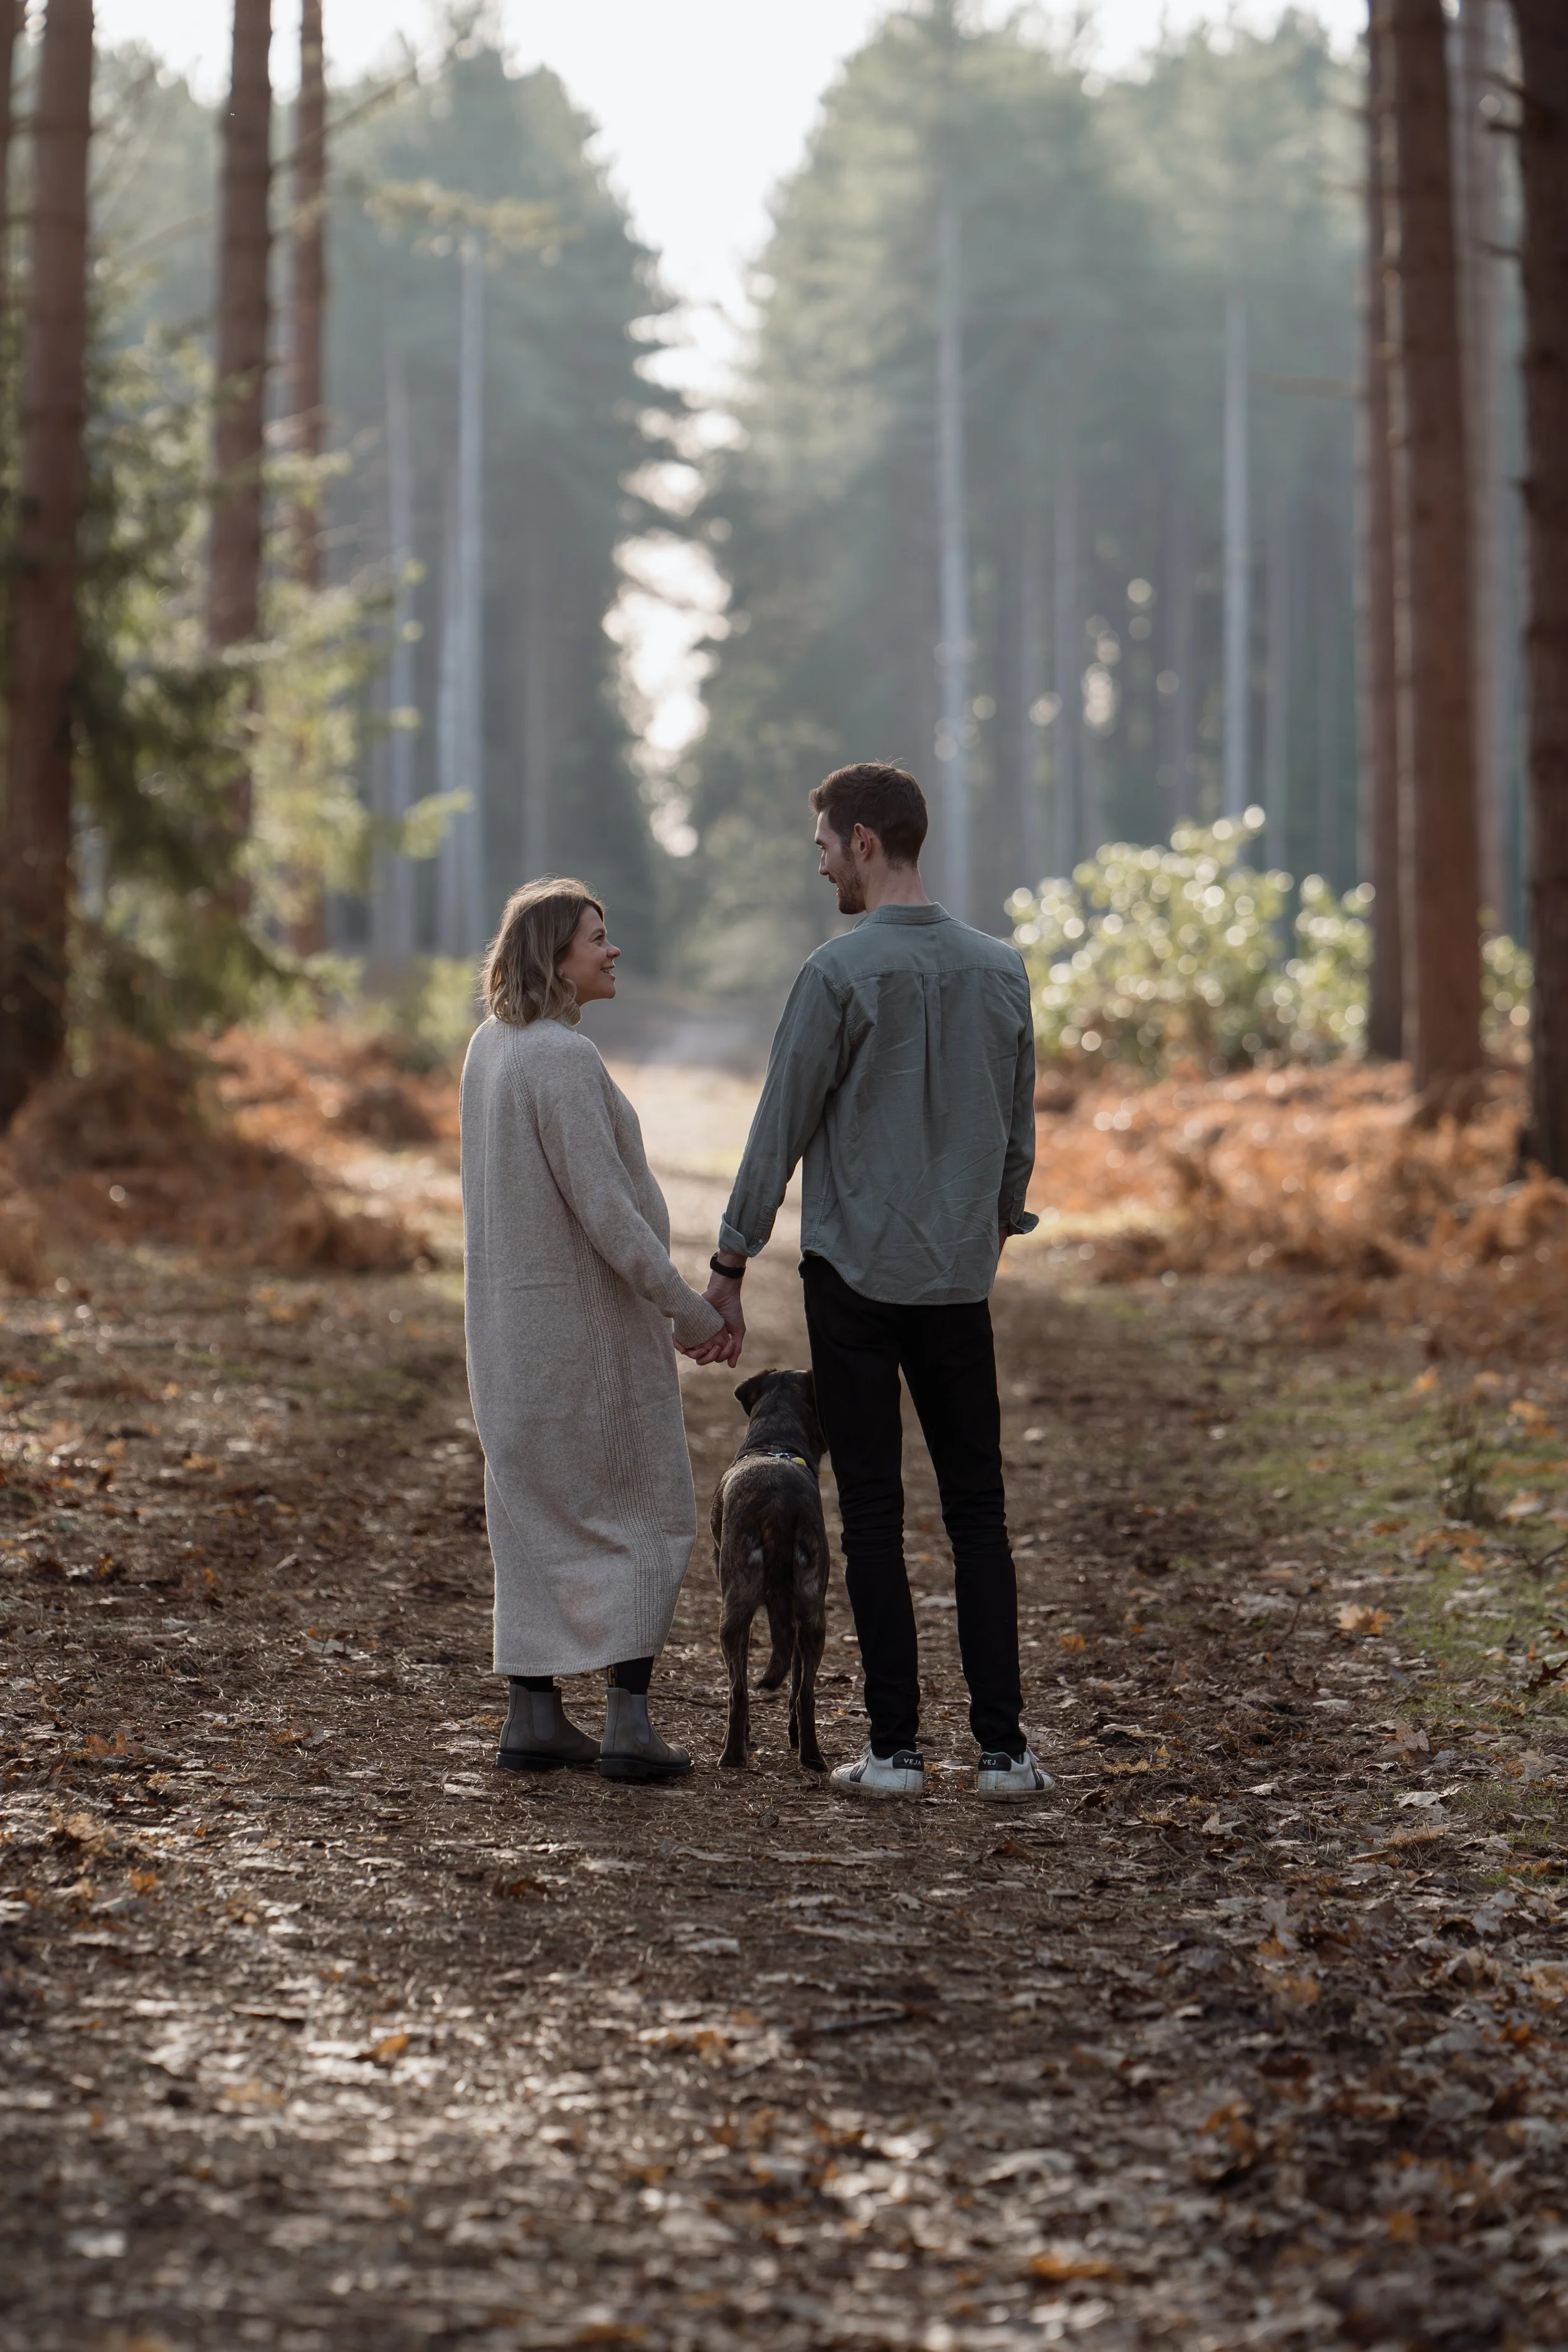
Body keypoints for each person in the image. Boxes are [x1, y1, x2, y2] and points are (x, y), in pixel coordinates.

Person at [701, 764, 1051, 1801]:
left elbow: (781, 1124)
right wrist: (987, 1229)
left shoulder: (836, 975)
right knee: (979, 1510)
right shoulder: (1002, 970)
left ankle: (893, 1750)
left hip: (853, 1276)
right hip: (955, 1275)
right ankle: (1003, 1752)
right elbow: (1018, 1136)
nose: (819, 866)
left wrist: (730, 1259)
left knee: (874, 1512)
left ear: (862, 840)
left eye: (822, 846)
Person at [460, 877, 739, 1784]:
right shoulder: (561, 1060)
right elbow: (612, 1220)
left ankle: (534, 1714)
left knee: (533, 1515)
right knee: (648, 1513)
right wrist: (693, 1314)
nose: (612, 950)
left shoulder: (487, 1050)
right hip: (583, 1346)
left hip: (506, 1341)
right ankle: (628, 1723)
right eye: (596, 937)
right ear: (555, 956)